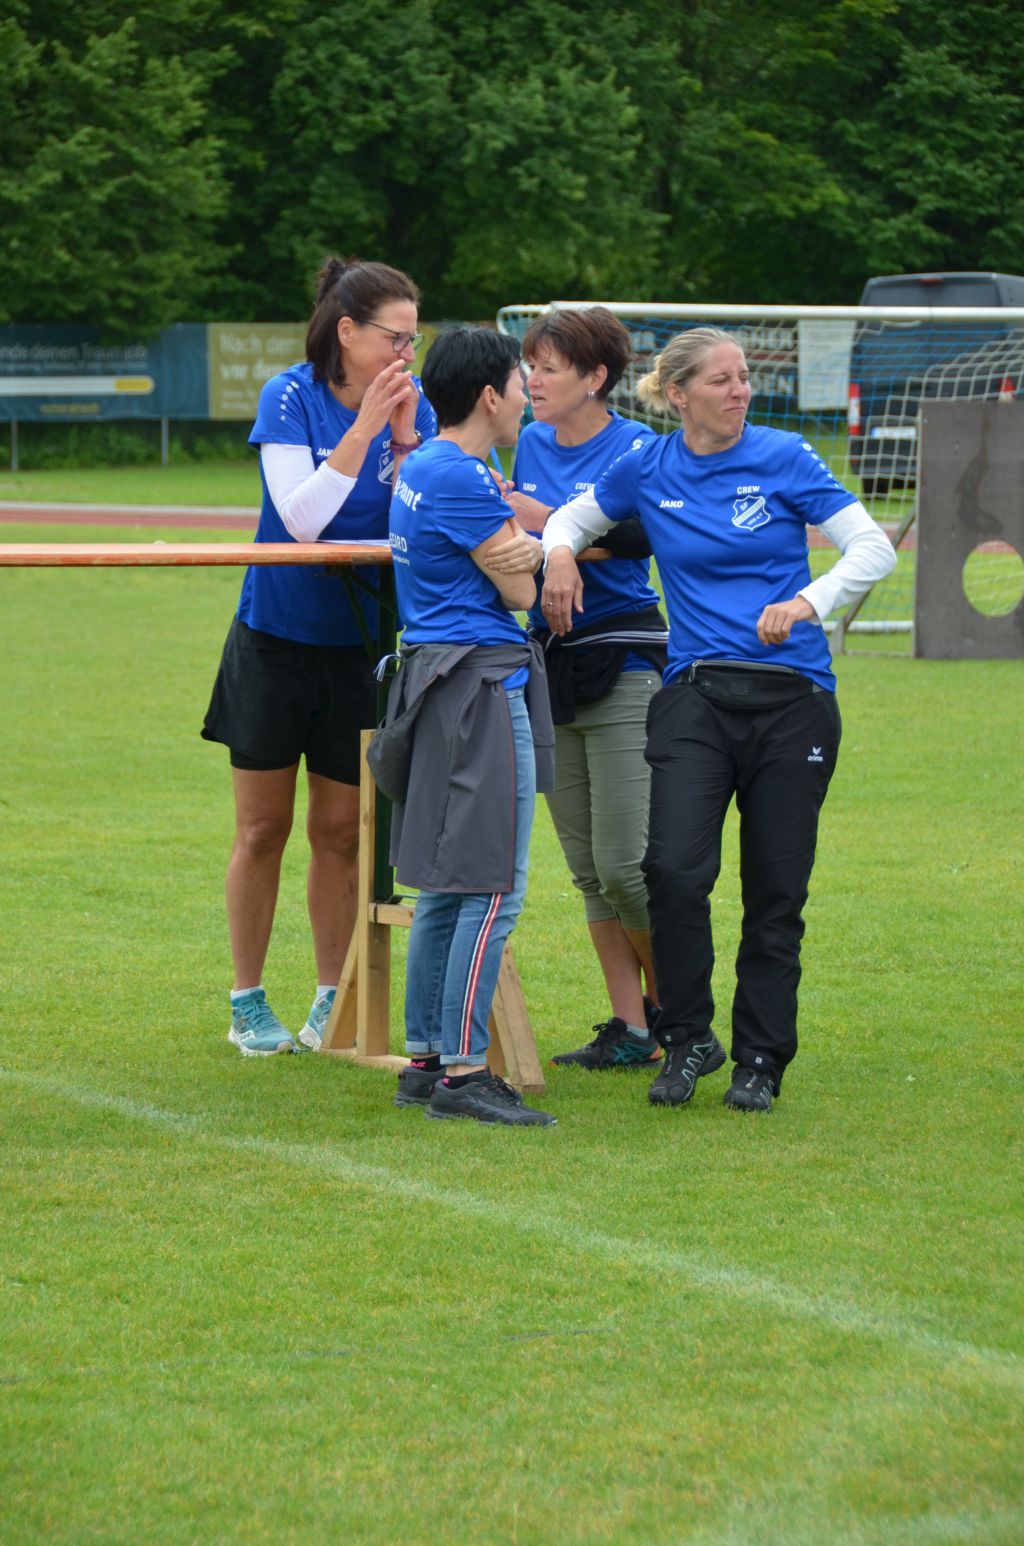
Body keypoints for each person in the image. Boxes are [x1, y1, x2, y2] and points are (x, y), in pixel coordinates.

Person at [497, 326, 896, 1112]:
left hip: (794, 701)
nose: (740, 390)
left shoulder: (784, 456)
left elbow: (872, 547)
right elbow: (571, 519)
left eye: (743, 377)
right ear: (677, 395)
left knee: (775, 893)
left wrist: (807, 601)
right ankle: (686, 1040)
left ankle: (760, 1060)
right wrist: (563, 551)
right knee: (672, 872)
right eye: (722, 380)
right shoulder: (648, 464)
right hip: (695, 695)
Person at [202, 257, 436, 1057]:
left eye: (413, 340)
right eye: (394, 337)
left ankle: (332, 999)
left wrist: (402, 436)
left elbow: (417, 518)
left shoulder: (415, 404)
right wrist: (365, 429)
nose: (405, 354)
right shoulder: (290, 395)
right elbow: (302, 521)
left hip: (361, 649)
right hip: (274, 640)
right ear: (346, 331)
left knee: (340, 832)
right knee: (263, 827)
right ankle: (247, 1000)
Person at [368, 324, 556, 1127]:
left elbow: (510, 559)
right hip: (478, 686)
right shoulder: (461, 476)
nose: (527, 399)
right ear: (489, 394)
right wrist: (540, 552)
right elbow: (518, 593)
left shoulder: (428, 464)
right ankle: (464, 1073)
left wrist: (526, 542)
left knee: (446, 884)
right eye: (520, 384)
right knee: (491, 886)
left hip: (441, 681)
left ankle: (426, 1063)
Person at [503, 307, 668, 1069]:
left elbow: (641, 536)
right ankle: (632, 1030)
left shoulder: (637, 447)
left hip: (623, 661)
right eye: (530, 367)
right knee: (588, 873)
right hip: (549, 665)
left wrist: (554, 531)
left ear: (596, 377)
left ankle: (680, 1014)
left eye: (550, 368)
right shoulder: (531, 440)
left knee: (627, 866)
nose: (533, 381)